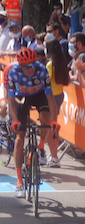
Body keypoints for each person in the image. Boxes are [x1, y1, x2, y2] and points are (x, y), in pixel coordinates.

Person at [6, 48, 59, 198]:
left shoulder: (41, 70)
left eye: (33, 65)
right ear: (21, 66)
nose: (31, 69)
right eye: (27, 66)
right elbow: (10, 100)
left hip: (38, 95)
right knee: (19, 137)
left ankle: (41, 147)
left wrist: (54, 120)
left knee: (45, 119)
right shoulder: (14, 72)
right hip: (21, 97)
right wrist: (15, 119)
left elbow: (50, 99)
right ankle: (19, 182)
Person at [44, 39, 69, 168]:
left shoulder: (50, 64)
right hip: (59, 95)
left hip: (51, 97)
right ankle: (54, 155)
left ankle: (54, 157)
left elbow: (45, 82)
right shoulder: (62, 62)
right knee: (54, 126)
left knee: (49, 128)